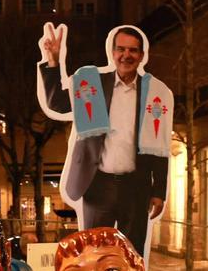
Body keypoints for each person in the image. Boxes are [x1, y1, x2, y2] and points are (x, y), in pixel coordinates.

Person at [37, 23, 172, 255]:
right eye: (121, 49)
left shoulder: (153, 93)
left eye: (133, 50)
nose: (126, 55)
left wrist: (158, 189)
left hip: (136, 187)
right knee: (93, 254)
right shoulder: (94, 85)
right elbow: (57, 103)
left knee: (132, 257)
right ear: (112, 52)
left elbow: (159, 145)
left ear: (141, 56)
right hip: (97, 184)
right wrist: (53, 62)